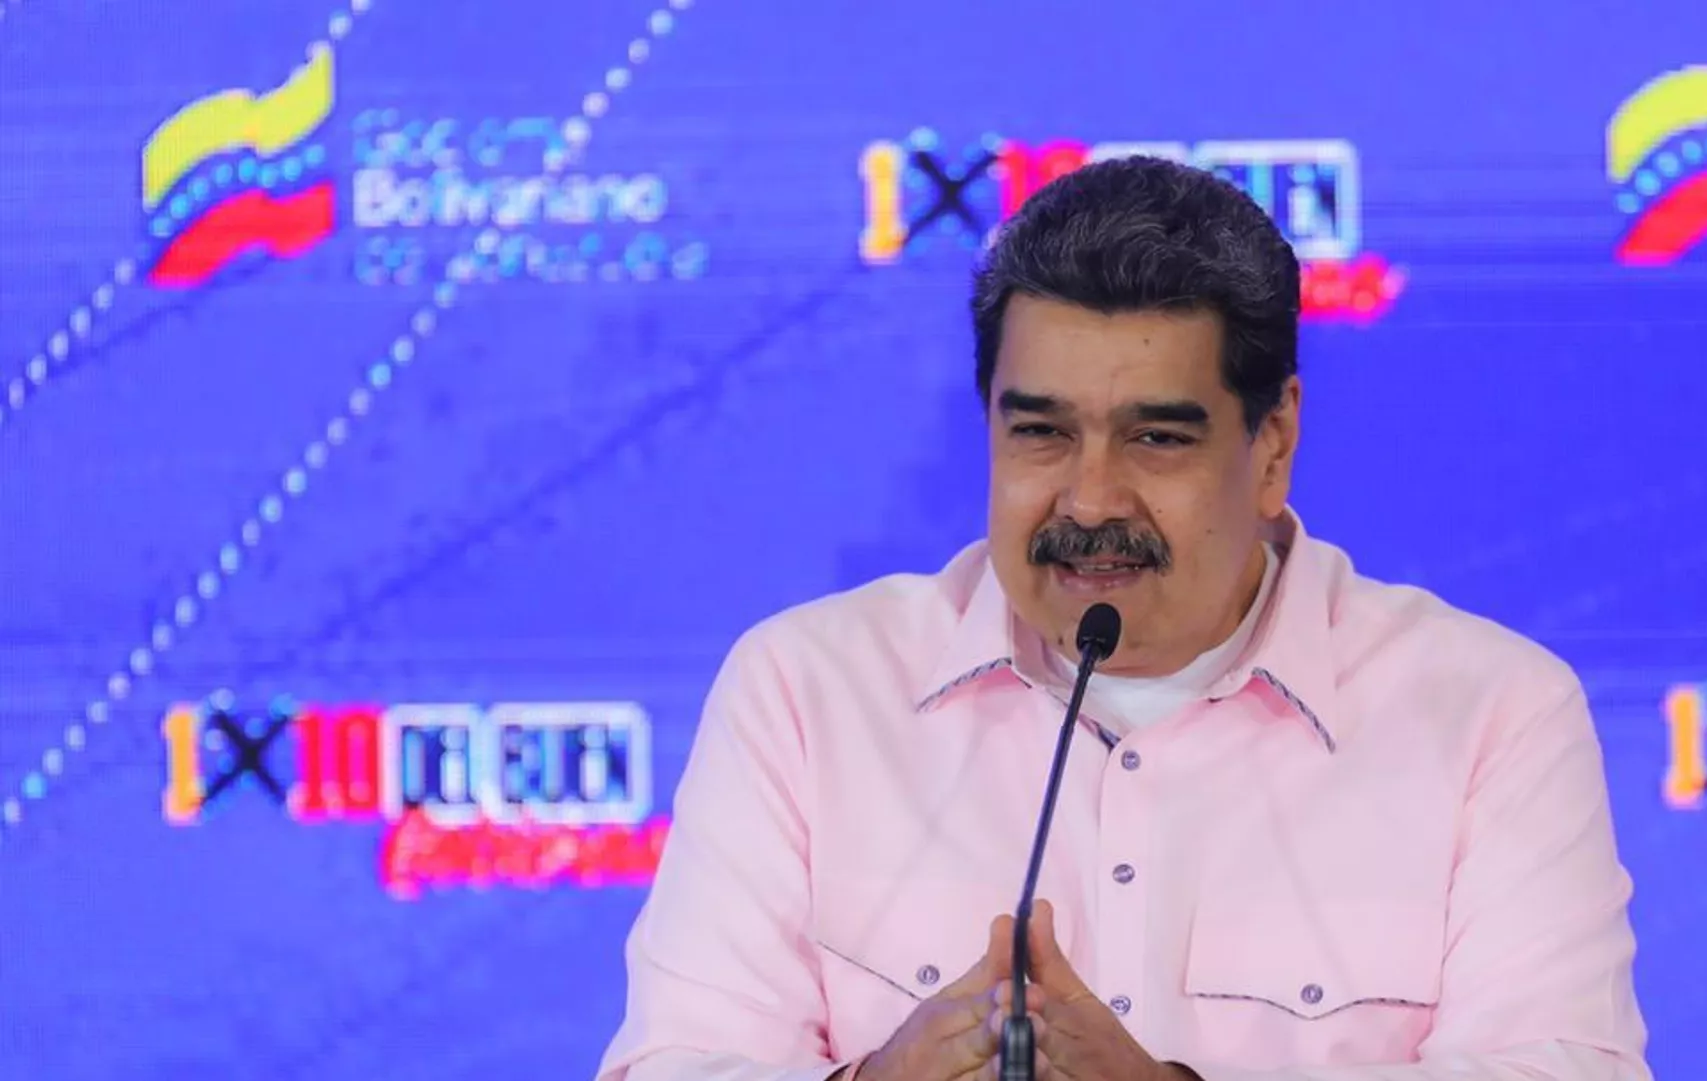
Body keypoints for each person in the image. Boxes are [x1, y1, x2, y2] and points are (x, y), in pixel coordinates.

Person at [595, 156, 1652, 1081]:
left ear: (1273, 444)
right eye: (1042, 433)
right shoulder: (810, 691)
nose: (1091, 500)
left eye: (1156, 439)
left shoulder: (1486, 714)